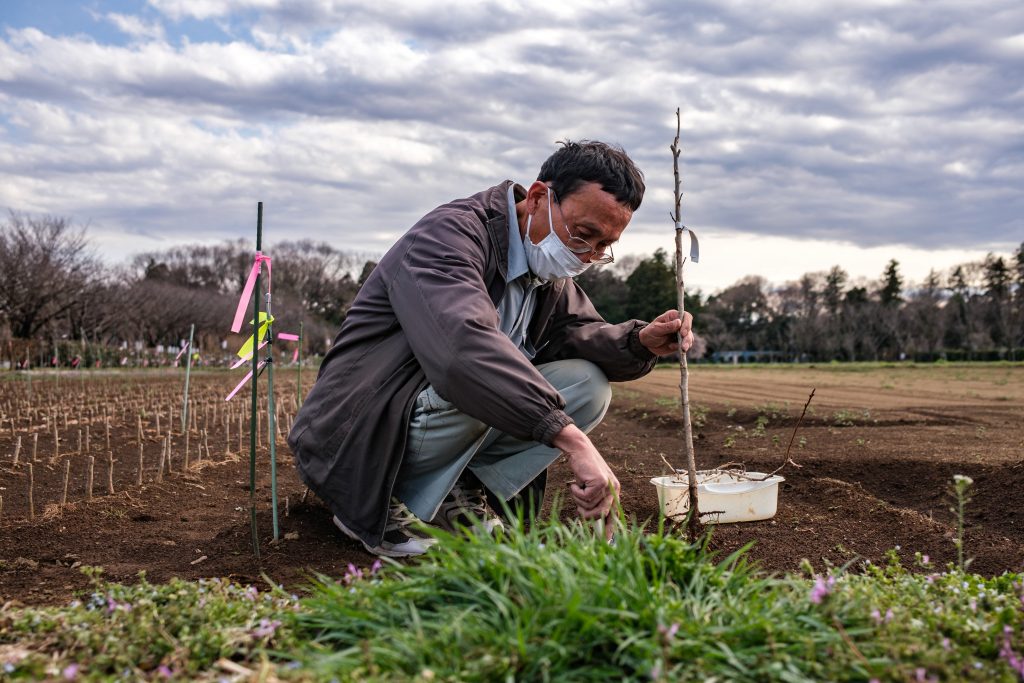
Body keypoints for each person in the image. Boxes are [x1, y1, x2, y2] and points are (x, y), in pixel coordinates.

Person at [288, 140, 694, 557]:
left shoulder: (544, 270)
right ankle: (377, 503)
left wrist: (637, 341)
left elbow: (579, 333)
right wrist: (573, 441)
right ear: (538, 197)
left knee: (587, 387)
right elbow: (464, 351)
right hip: (360, 432)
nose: (588, 256)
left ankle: (454, 496)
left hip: (422, 415)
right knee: (483, 381)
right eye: (584, 235)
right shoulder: (449, 237)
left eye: (603, 246)